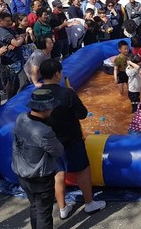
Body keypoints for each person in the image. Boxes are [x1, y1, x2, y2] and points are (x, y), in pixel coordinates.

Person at [39, 59, 106, 219]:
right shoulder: (67, 93)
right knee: (82, 169)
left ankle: (62, 208)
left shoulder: (37, 94)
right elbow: (82, 114)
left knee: (58, 173)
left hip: (50, 140)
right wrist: (73, 95)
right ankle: (89, 204)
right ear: (57, 74)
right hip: (71, 138)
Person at [12, 89, 64, 229]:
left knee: (34, 206)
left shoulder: (21, 117)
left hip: (22, 173)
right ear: (46, 108)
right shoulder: (44, 131)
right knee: (44, 213)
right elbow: (58, 150)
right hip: (39, 178)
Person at [0, 11, 27, 98]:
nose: (10, 22)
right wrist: (21, 39)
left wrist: (19, 39)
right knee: (15, 82)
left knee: (18, 82)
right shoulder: (2, 32)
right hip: (10, 61)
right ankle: (11, 99)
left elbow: (17, 38)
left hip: (17, 58)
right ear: (0, 21)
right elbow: (17, 43)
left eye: (10, 20)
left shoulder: (8, 28)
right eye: (7, 21)